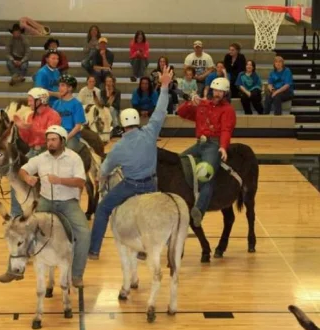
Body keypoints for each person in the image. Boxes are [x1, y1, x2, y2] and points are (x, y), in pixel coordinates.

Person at [88, 66, 173, 259]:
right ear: (137, 121)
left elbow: (104, 170)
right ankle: (150, 249)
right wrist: (165, 86)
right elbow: (160, 109)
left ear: (122, 124)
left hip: (130, 186)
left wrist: (100, 177)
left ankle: (94, 250)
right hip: (151, 184)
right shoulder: (150, 132)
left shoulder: (118, 148)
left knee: (103, 209)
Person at [0, 125, 91, 288]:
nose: (50, 143)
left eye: (53, 140)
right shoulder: (41, 158)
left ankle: (76, 274)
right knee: (21, 228)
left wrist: (60, 180)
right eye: (48, 140)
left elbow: (81, 181)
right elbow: (23, 170)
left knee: (84, 233)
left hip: (69, 203)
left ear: (62, 141)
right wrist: (27, 178)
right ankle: (13, 271)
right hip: (46, 202)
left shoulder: (74, 158)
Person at [177, 77, 236, 228]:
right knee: (179, 163)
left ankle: (199, 211)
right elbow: (181, 113)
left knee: (206, 175)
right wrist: (191, 102)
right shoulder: (203, 104)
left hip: (213, 144)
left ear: (225, 93)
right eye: (215, 90)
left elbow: (226, 129)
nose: (217, 93)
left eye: (220, 91)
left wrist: (223, 146)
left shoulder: (228, 110)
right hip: (199, 143)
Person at [10, 87, 61, 217]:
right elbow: (27, 139)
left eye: (31, 100)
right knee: (16, 178)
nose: (29, 103)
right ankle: (16, 213)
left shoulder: (53, 115)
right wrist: (22, 128)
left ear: (41, 100)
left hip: (48, 153)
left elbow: (51, 136)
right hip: (33, 151)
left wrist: (29, 127)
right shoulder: (31, 116)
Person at [52, 75, 87, 153]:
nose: (59, 88)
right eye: (59, 85)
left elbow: (78, 126)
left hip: (71, 136)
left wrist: (65, 138)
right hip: (56, 134)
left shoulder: (76, 104)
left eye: (63, 85)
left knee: (67, 151)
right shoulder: (56, 103)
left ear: (70, 88)